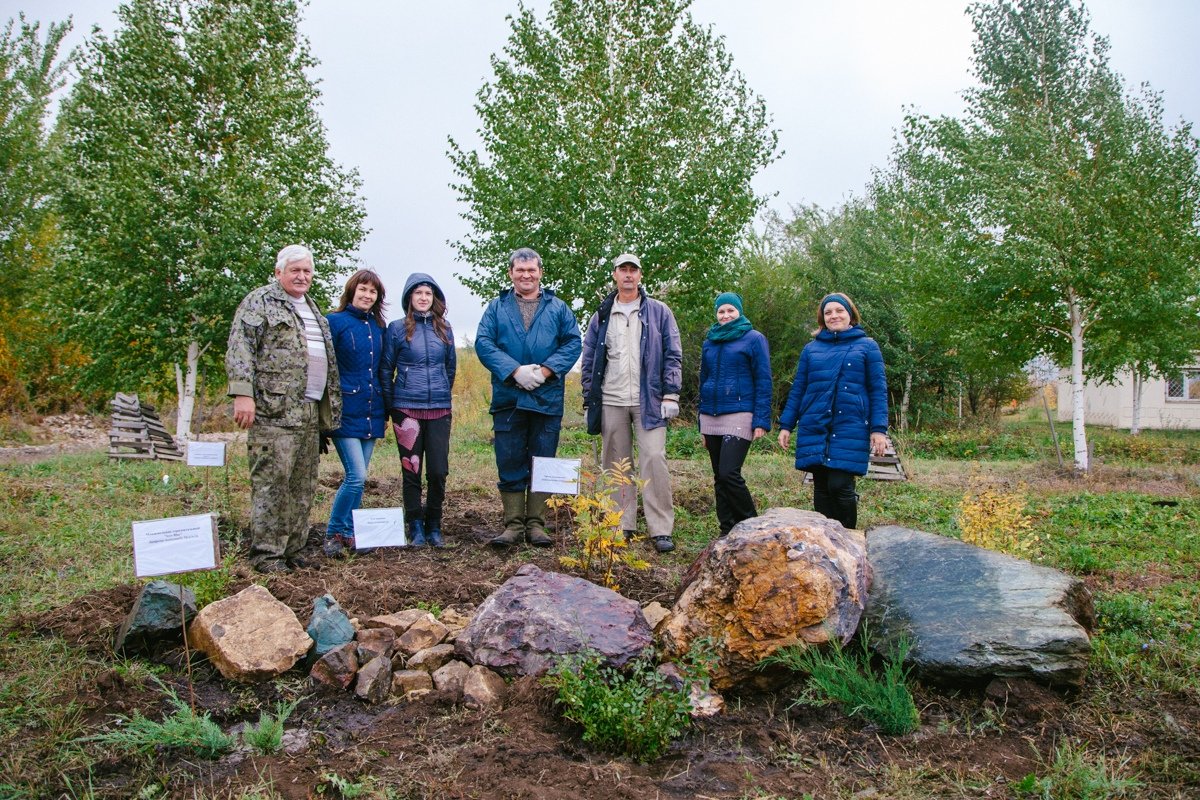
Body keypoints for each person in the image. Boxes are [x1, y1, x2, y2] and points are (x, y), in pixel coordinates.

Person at [226, 244, 341, 574]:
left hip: (307, 413)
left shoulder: (312, 309)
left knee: (302, 486)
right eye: (295, 270)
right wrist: (242, 394)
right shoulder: (260, 301)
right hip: (274, 411)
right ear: (279, 273)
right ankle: (267, 555)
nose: (302, 276)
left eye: (307, 271)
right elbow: (240, 347)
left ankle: (293, 549)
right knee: (272, 484)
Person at [475, 247, 582, 548]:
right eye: (520, 270)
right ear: (511, 273)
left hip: (546, 398)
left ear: (540, 273)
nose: (526, 275)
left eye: (531, 270)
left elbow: (573, 343)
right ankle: (512, 525)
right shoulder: (496, 308)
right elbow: (483, 343)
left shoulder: (559, 308)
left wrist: (546, 371)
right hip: (509, 396)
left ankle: (536, 524)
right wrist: (514, 371)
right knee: (508, 458)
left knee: (542, 458)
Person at [581, 253, 682, 553]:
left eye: (633, 270)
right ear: (614, 275)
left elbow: (673, 353)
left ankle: (660, 528)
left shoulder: (659, 312)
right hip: (611, 398)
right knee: (615, 463)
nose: (627, 275)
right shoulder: (601, 314)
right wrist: (589, 398)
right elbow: (589, 359)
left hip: (649, 399)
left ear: (640, 275)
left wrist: (671, 393)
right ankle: (619, 523)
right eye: (622, 270)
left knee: (653, 458)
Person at [777, 292, 889, 530]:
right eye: (828, 312)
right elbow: (799, 389)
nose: (834, 316)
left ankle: (848, 539)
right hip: (815, 423)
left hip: (850, 424)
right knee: (821, 488)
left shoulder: (867, 346)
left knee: (840, 485)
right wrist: (787, 425)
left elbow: (878, 390)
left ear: (850, 314)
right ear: (822, 318)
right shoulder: (811, 349)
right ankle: (825, 541)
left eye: (839, 311)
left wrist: (879, 429)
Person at [380, 273, 456, 547]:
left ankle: (434, 523)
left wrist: (442, 395)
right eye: (418, 293)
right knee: (411, 470)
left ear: (434, 298)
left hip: (438, 409)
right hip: (406, 410)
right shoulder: (397, 329)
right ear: (409, 298)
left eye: (428, 293)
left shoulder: (444, 329)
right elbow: (386, 369)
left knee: (438, 471)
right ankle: (415, 525)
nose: (423, 298)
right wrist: (391, 408)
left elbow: (450, 368)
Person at [322, 270, 388, 557]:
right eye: (363, 289)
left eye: (373, 292)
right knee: (356, 476)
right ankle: (333, 532)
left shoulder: (378, 326)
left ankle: (349, 533)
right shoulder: (334, 322)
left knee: (361, 476)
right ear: (352, 291)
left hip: (372, 410)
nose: (367, 295)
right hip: (344, 410)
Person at [697, 292, 773, 537]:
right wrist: (701, 421)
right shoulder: (710, 342)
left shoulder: (754, 339)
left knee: (730, 472)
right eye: (721, 311)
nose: (726, 315)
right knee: (719, 477)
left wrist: (761, 419)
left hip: (740, 413)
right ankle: (727, 530)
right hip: (711, 416)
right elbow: (703, 380)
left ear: (739, 311)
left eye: (730, 310)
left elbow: (763, 380)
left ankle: (751, 526)